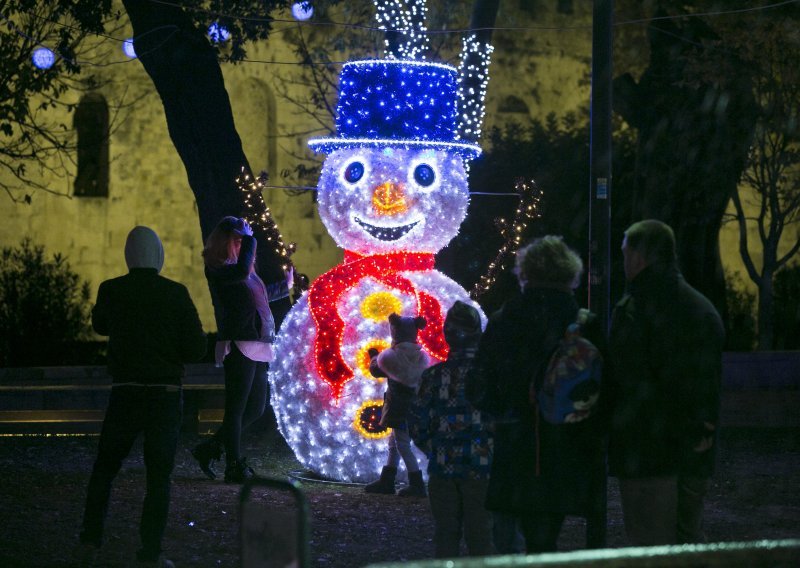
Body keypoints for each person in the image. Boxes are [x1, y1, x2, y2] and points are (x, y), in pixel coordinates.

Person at [467, 236, 607, 553]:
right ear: (570, 274)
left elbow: (479, 384)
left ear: (525, 273)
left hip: (515, 438)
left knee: (511, 533)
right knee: (546, 534)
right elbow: (606, 386)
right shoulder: (583, 323)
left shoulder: (506, 318)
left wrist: (500, 411)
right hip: (567, 440)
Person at [77, 226, 207, 567]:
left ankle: (89, 543)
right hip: (164, 394)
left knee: (105, 469)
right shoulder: (176, 294)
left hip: (125, 391)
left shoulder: (112, 290)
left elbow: (100, 326)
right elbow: (195, 347)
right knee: (158, 476)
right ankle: (150, 554)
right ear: (159, 256)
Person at [608, 219, 724, 545]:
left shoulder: (633, 310)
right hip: (693, 449)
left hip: (646, 451)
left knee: (649, 544)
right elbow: (705, 379)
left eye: (625, 253)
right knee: (687, 537)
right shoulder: (700, 309)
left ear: (639, 257)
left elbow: (625, 378)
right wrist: (701, 427)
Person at [192, 216, 279, 483]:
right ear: (225, 243)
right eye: (237, 241)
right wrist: (253, 237)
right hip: (239, 343)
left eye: (243, 242)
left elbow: (256, 298)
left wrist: (286, 284)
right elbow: (240, 274)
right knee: (237, 409)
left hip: (257, 341)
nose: (242, 246)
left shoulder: (244, 272)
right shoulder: (218, 269)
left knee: (256, 408)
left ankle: (210, 448)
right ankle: (233, 464)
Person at [408, 301, 495, 558]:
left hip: (443, 466)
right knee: (481, 536)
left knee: (446, 535)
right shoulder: (490, 375)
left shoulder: (434, 376)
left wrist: (434, 448)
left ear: (448, 336)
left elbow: (416, 421)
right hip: (482, 466)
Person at [364, 314, 430, 497]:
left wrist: (374, 357)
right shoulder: (421, 357)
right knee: (394, 442)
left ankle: (416, 482)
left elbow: (376, 370)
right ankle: (387, 480)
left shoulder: (391, 357)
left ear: (395, 333)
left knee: (401, 444)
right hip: (414, 407)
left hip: (398, 407)